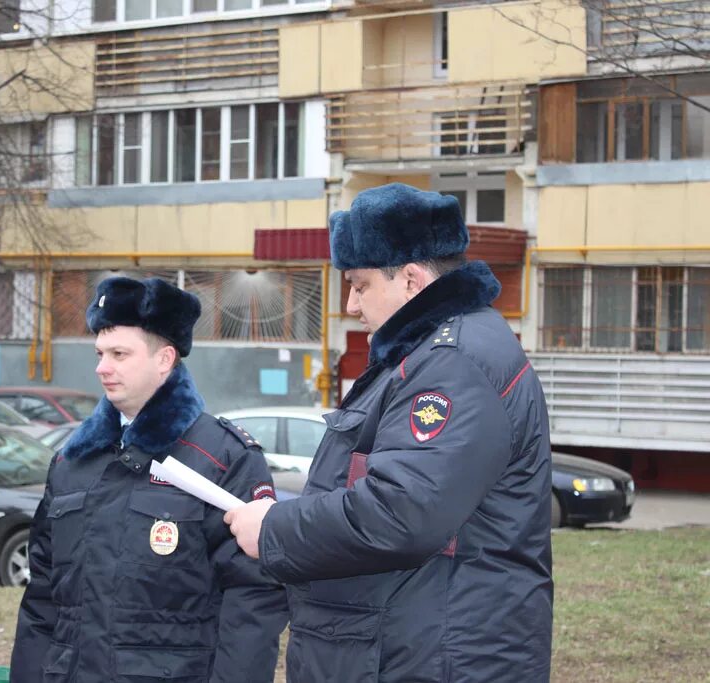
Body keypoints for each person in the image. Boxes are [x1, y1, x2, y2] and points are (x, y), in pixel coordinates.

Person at [225, 183, 553, 681]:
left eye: (359, 285)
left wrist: (274, 528)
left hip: (426, 657)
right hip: (409, 647)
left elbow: (401, 513)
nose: (352, 306)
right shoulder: (428, 354)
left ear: (412, 282)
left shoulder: (452, 363)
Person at [9, 276, 288, 683]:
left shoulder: (222, 459)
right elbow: (43, 600)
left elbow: (252, 603)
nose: (102, 367)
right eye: (100, 352)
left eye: (120, 353)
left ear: (165, 359)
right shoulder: (75, 460)